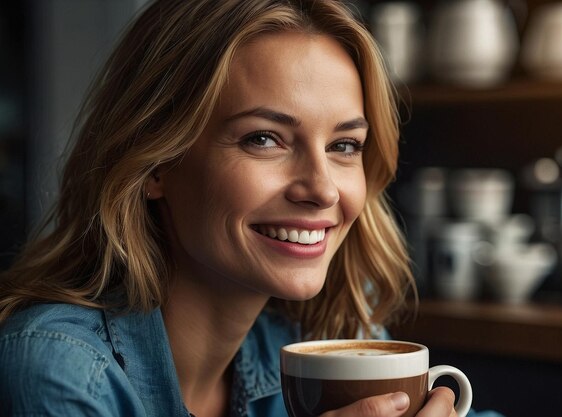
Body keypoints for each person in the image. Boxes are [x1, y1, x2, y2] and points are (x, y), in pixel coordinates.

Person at [0, 1, 503, 416]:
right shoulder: (60, 371)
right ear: (155, 163)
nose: (323, 190)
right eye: (265, 139)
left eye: (344, 145)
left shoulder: (330, 339)